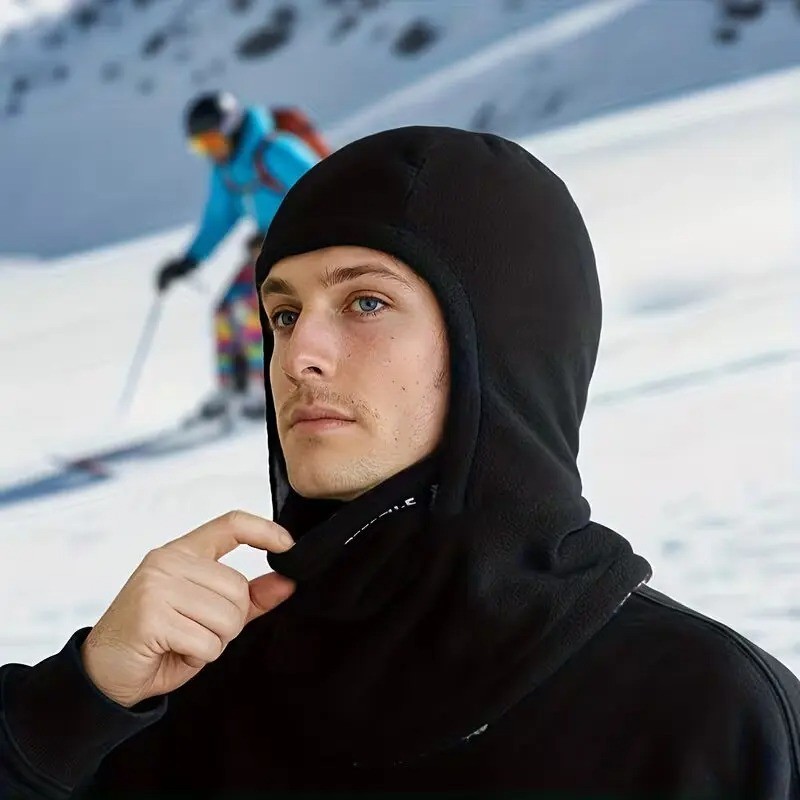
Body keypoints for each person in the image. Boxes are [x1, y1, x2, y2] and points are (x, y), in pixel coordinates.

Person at [2, 126, 798, 798]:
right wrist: (64, 713)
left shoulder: (703, 714)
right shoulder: (179, 690)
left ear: (502, 344)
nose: (295, 358)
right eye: (284, 314)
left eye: (366, 302)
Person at [156, 90, 324, 421]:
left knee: (252, 308)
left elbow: (323, 188)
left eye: (212, 141)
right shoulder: (227, 171)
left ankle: (261, 391)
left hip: (306, 248)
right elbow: (218, 218)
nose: (210, 151)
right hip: (268, 253)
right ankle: (230, 389)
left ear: (231, 129)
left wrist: (282, 233)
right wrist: (189, 260)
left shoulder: (275, 150)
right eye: (201, 146)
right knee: (225, 309)